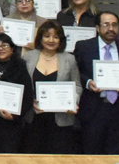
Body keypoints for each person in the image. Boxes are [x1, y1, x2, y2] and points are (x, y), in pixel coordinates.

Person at [74, 12, 119, 154]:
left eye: (114, 25)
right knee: (91, 153)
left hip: (118, 110)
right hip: (93, 109)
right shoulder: (84, 47)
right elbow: (76, 72)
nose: (111, 29)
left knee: (115, 152)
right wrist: (88, 82)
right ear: (97, 28)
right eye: (106, 25)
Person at [23, 20, 81, 154]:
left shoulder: (69, 59)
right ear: (40, 37)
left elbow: (77, 85)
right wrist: (30, 102)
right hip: (34, 117)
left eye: (56, 37)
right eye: (47, 36)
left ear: (61, 40)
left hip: (61, 119)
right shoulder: (29, 57)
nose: (51, 40)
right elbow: (23, 85)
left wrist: (73, 102)